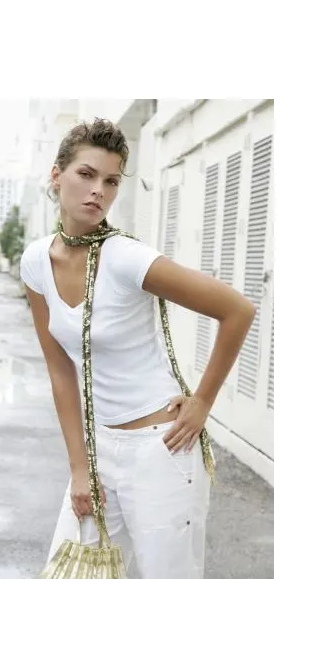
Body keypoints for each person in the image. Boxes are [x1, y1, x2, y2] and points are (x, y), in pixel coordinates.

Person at [20, 118, 256, 579]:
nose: (99, 191)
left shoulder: (126, 257)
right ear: (57, 175)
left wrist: (202, 402)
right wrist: (80, 468)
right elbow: (60, 371)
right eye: (86, 174)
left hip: (161, 450)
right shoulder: (36, 261)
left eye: (111, 181)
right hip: (99, 448)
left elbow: (237, 310)